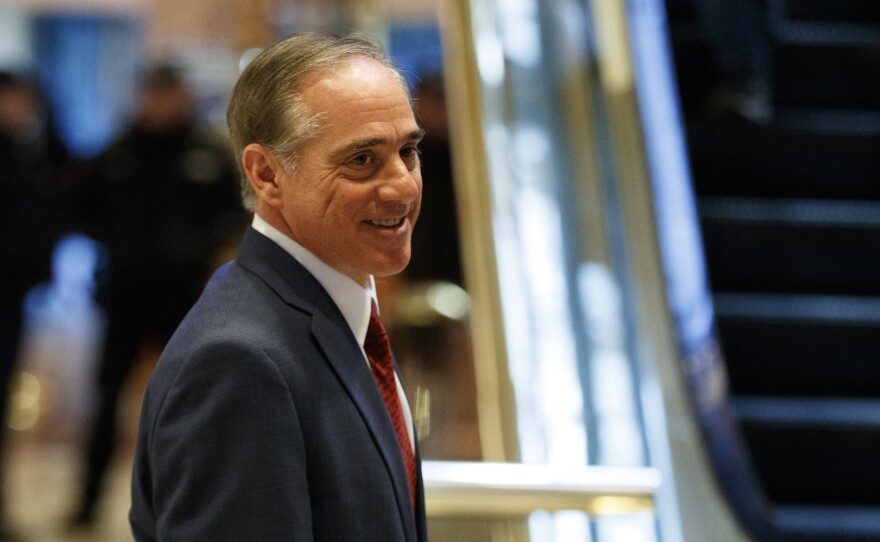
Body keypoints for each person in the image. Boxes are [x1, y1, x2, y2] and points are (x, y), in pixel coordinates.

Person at [129, 33, 428, 541]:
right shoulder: (238, 361)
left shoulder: (337, 310)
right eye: (362, 160)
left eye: (408, 150)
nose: (403, 184)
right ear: (266, 174)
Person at [70, 63, 246, 528]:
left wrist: (202, 248)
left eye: (170, 95)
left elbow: (235, 214)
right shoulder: (116, 154)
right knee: (107, 401)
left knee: (187, 403)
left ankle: (189, 508)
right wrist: (117, 247)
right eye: (153, 93)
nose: (161, 104)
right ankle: (87, 504)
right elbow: (82, 211)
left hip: (186, 301)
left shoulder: (207, 155)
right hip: (124, 297)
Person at [0, 71, 77, 540]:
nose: (22, 109)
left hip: (12, 296)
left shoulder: (27, 152)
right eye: (15, 99)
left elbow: (65, 181)